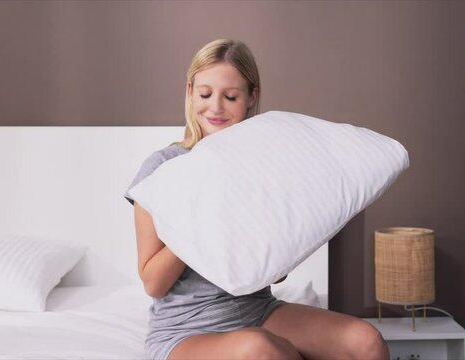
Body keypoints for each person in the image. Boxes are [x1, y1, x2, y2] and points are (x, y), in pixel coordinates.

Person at [125, 39, 389, 360]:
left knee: (366, 341)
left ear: (252, 97)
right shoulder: (163, 168)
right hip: (185, 327)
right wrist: (202, 208)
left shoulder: (263, 165)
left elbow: (275, 273)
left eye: (231, 96)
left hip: (257, 309)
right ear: (190, 91)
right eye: (205, 94)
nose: (216, 107)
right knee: (259, 348)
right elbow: (154, 284)